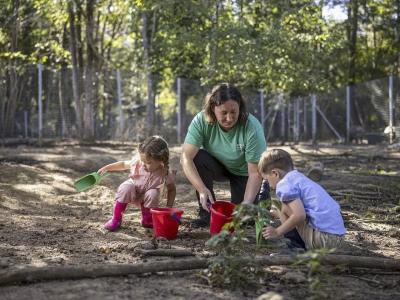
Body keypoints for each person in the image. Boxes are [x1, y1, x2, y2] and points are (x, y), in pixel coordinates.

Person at [181, 83, 270, 227]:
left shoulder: (252, 127)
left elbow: (254, 173)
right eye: (223, 113)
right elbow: (186, 158)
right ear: (212, 109)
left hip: (245, 173)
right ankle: (207, 213)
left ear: (240, 107)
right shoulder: (201, 121)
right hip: (219, 165)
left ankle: (262, 193)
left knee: (246, 220)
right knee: (198, 157)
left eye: (233, 112)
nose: (229, 118)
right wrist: (201, 189)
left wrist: (246, 204)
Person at [258, 148, 346, 250]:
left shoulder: (284, 184)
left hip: (324, 240)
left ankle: (294, 247)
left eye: (267, 180)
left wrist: (277, 231)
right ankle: (298, 245)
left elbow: (300, 215)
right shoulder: (297, 178)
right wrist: (278, 214)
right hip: (336, 239)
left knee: (279, 204)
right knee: (280, 207)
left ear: (275, 173)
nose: (270, 185)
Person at [98, 136, 176, 231]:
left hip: (147, 199)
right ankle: (116, 219)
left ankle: (147, 219)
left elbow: (171, 189)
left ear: (161, 159)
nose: (144, 164)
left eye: (148, 162)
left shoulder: (165, 172)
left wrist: (168, 207)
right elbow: (123, 164)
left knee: (153, 193)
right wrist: (107, 168)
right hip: (132, 192)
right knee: (126, 187)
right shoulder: (138, 162)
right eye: (143, 161)